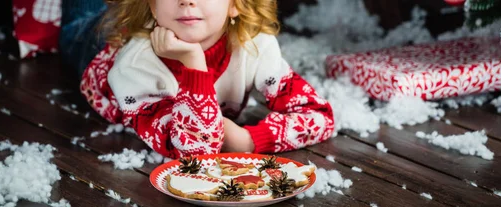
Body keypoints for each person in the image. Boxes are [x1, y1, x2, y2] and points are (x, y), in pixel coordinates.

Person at [78, 0, 335, 159]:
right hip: (94, 53)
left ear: (235, 4)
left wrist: (249, 140)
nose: (187, 1)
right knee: (81, 25)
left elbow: (321, 116)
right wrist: (194, 63)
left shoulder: (255, 47)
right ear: (154, 5)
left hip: (137, 30)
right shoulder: (134, 65)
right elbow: (193, 152)